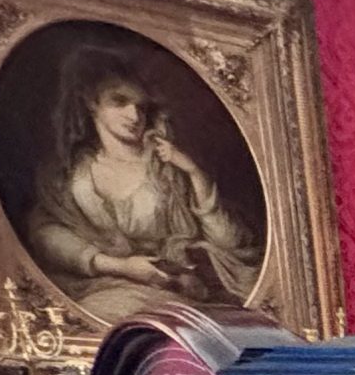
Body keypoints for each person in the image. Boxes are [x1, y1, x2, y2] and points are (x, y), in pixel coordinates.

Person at [25, 47, 263, 322]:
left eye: (141, 106)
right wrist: (121, 266)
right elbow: (45, 235)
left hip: (174, 294)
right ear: (92, 102)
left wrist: (195, 173)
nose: (134, 115)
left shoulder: (166, 169)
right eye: (120, 101)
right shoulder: (68, 174)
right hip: (101, 287)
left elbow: (229, 243)